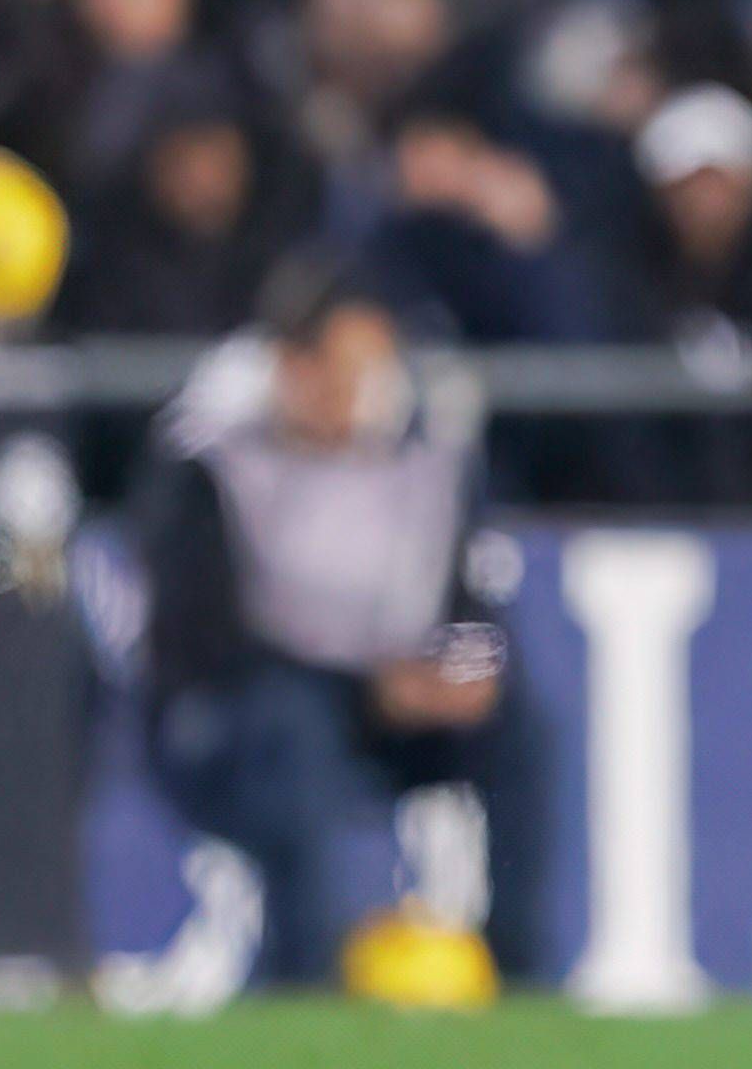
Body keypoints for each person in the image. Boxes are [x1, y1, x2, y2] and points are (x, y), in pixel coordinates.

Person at [138, 255, 550, 990]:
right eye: (333, 368)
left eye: (367, 368)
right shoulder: (214, 464)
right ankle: (309, 976)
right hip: (238, 718)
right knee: (298, 730)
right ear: (286, 364)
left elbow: (472, 605)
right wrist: (366, 688)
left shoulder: (426, 461)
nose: (352, 393)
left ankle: (519, 969)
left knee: (522, 722)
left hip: (383, 704)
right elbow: (200, 643)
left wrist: (465, 672)